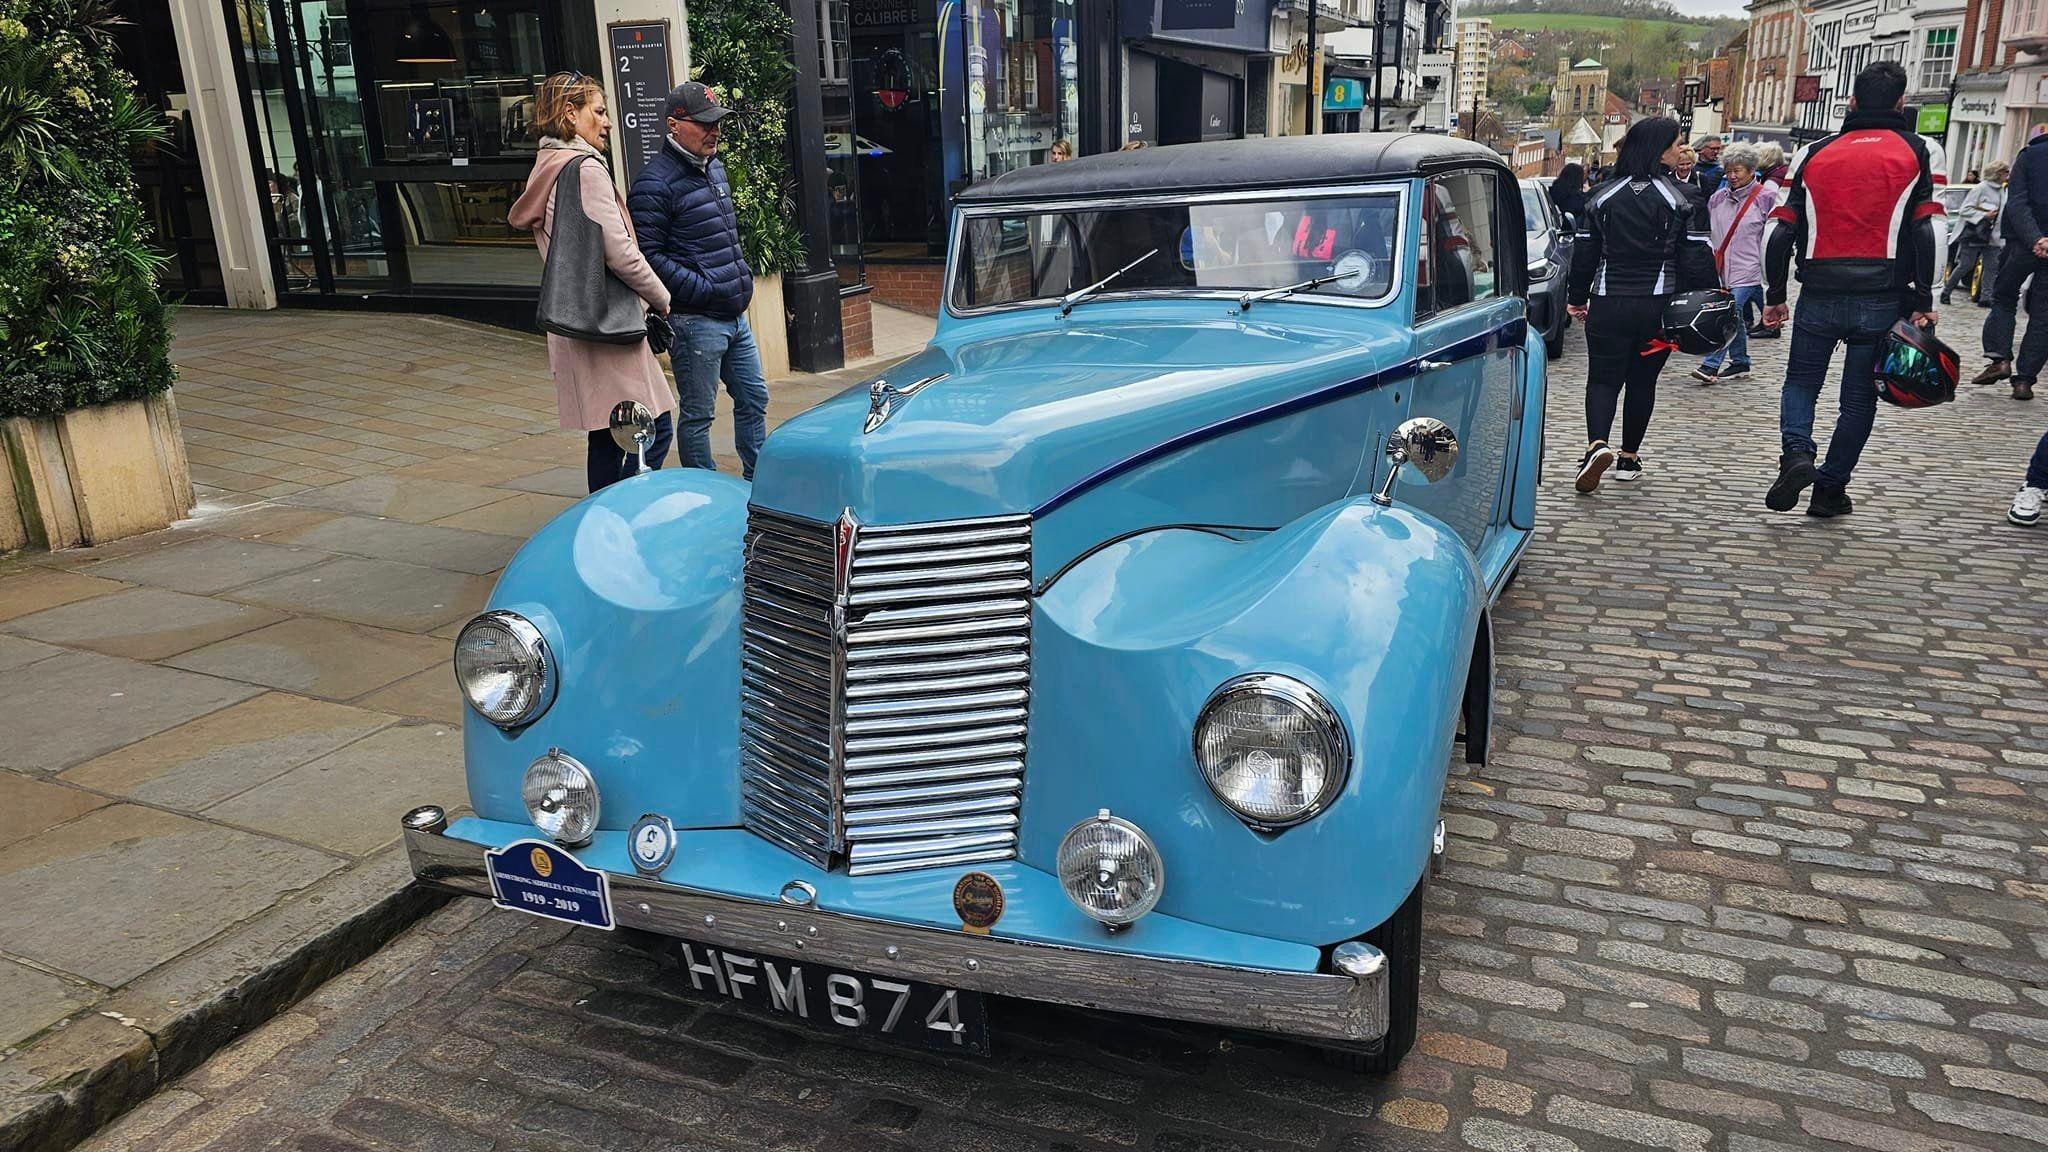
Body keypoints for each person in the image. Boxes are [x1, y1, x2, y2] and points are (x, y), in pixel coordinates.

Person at [1761, 60, 1941, 518]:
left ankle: (1797, 453)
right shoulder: (1921, 151)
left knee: (1801, 381)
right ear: (1902, 102)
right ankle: (1829, 490)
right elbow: (1930, 232)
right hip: (1883, 294)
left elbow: (1777, 232)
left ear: (1853, 102)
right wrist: (1926, 298)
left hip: (1818, 289)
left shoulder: (1813, 152)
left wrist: (1774, 294)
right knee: (1858, 400)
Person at [508, 72, 674, 495]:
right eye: (598, 112)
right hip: (608, 325)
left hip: (579, 325)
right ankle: (616, 518)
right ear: (570, 114)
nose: (607, 122)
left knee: (606, 433)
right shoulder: (585, 171)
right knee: (653, 428)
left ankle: (602, 519)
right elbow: (619, 251)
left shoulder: (546, 168)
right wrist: (661, 296)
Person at [1565, 116, 1718, 492]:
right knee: (1642, 382)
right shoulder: (1684, 198)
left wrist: (1575, 298)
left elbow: (1585, 253)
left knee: (1601, 379)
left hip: (1607, 303)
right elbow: (1696, 257)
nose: (1682, 149)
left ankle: (1595, 445)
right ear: (1658, 149)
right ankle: (1628, 458)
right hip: (1657, 309)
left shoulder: (1600, 195)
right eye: (1677, 143)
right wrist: (1711, 298)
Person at [630, 81, 770, 479]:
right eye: (704, 124)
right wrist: (703, 290)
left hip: (734, 316)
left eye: (718, 123)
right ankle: (702, 491)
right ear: (674, 125)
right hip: (694, 321)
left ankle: (756, 482)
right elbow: (647, 256)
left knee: (754, 398)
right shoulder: (653, 183)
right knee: (698, 415)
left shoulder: (715, 168)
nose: (715, 132)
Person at [1692, 143, 1776, 384]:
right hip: (1722, 270)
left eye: (1737, 170)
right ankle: (1740, 362)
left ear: (1751, 170)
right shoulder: (1717, 199)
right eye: (1728, 171)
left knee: (1728, 313)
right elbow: (1709, 232)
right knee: (1736, 315)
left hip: (1751, 270)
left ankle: (1710, 366)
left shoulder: (1767, 198)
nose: (1732, 176)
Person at [1974, 129, 2048, 401]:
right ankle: (2025, 380)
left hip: (2022, 244)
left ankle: (2000, 358)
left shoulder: (2030, 156)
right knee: (2044, 315)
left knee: (2004, 297)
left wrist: (2036, 238)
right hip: (2033, 243)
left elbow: (2017, 203)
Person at [1943, 161, 2007, 307]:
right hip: (1976, 234)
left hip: (1993, 236)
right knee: (1966, 265)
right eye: (2005, 172)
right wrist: (1985, 215)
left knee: (1992, 266)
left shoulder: (2003, 190)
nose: (2007, 175)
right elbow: (1965, 210)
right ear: (1998, 173)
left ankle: (1986, 297)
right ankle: (1946, 291)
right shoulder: (1981, 188)